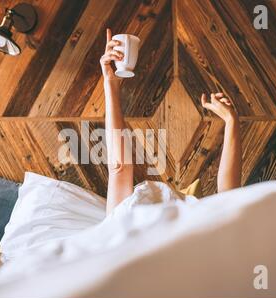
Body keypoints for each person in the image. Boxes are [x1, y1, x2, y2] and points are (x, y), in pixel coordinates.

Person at [100, 29, 242, 213]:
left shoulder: (119, 233)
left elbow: (119, 169)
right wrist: (232, 122)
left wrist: (110, 82)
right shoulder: (121, 232)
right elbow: (229, 202)